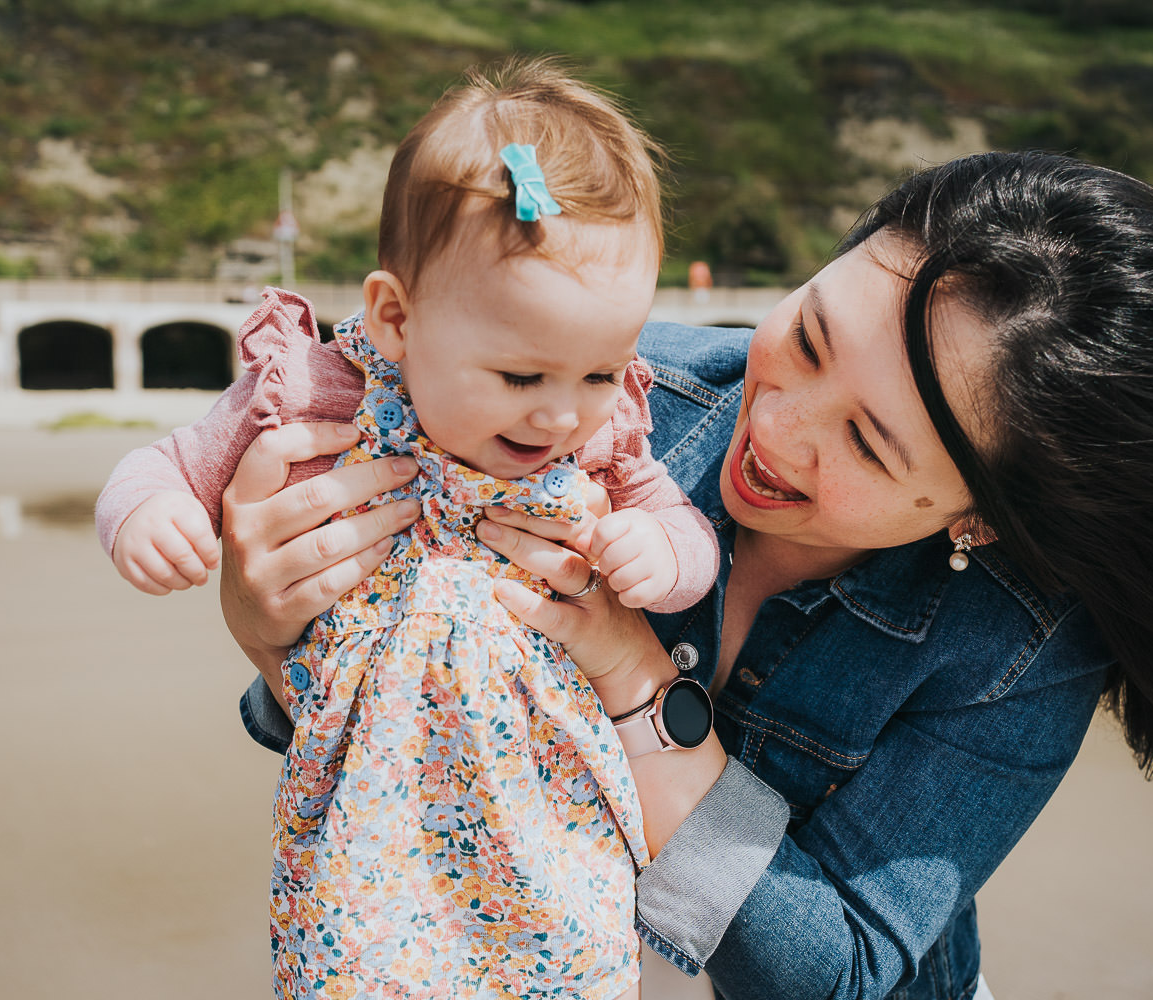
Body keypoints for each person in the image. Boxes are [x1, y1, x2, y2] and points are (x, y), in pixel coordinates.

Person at [219, 150, 1153, 1000]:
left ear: (983, 518)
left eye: (868, 443)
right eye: (804, 334)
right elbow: (389, 710)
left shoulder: (1022, 641)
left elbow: (839, 971)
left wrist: (634, 678)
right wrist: (276, 633)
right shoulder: (599, 396)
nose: (780, 428)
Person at [95, 59, 720, 1000]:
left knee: (576, 964)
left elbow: (684, 533)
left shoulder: (607, 433)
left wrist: (662, 555)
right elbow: (166, 464)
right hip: (370, 821)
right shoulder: (310, 394)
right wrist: (153, 514)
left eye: (598, 372)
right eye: (521, 377)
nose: (562, 414)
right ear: (394, 316)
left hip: (550, 810)